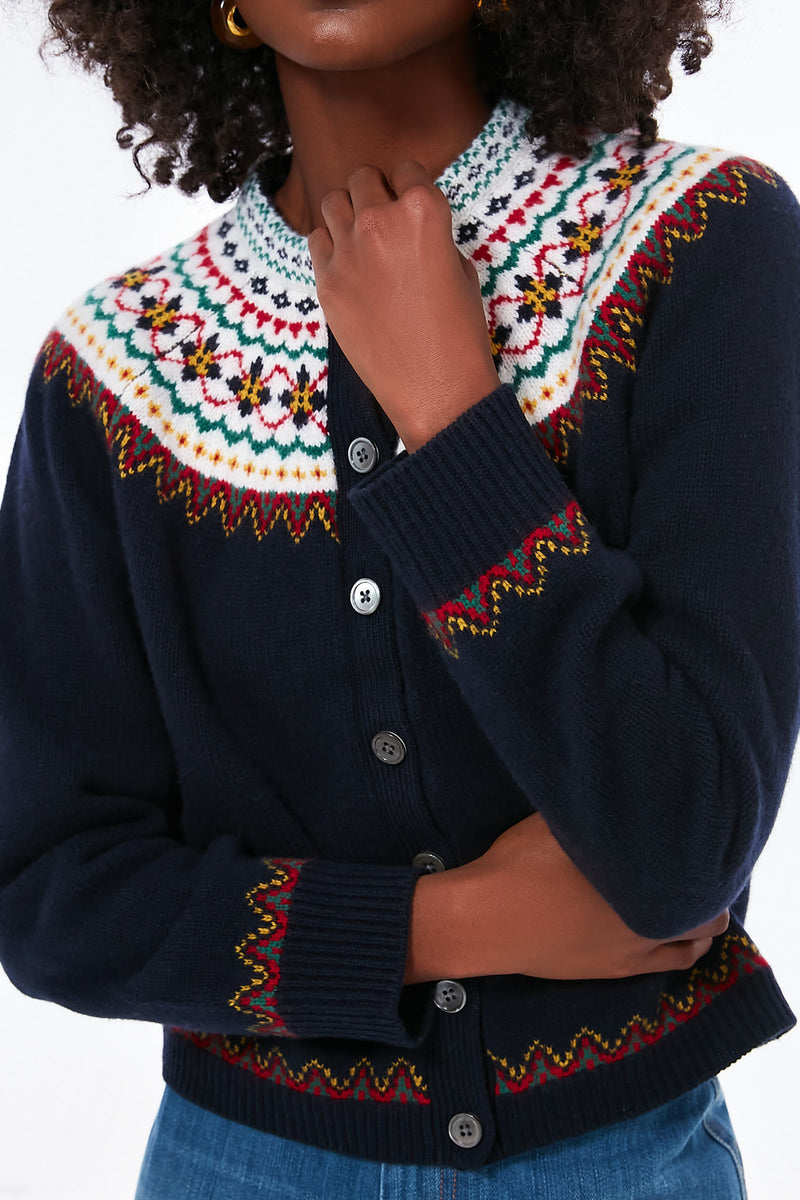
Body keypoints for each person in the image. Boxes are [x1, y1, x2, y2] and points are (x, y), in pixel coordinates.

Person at [0, 0, 798, 1196]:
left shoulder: (693, 242)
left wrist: (450, 411)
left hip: (617, 1165)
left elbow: (679, 845)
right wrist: (448, 926)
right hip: (236, 1170)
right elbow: (51, 895)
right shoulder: (116, 376)